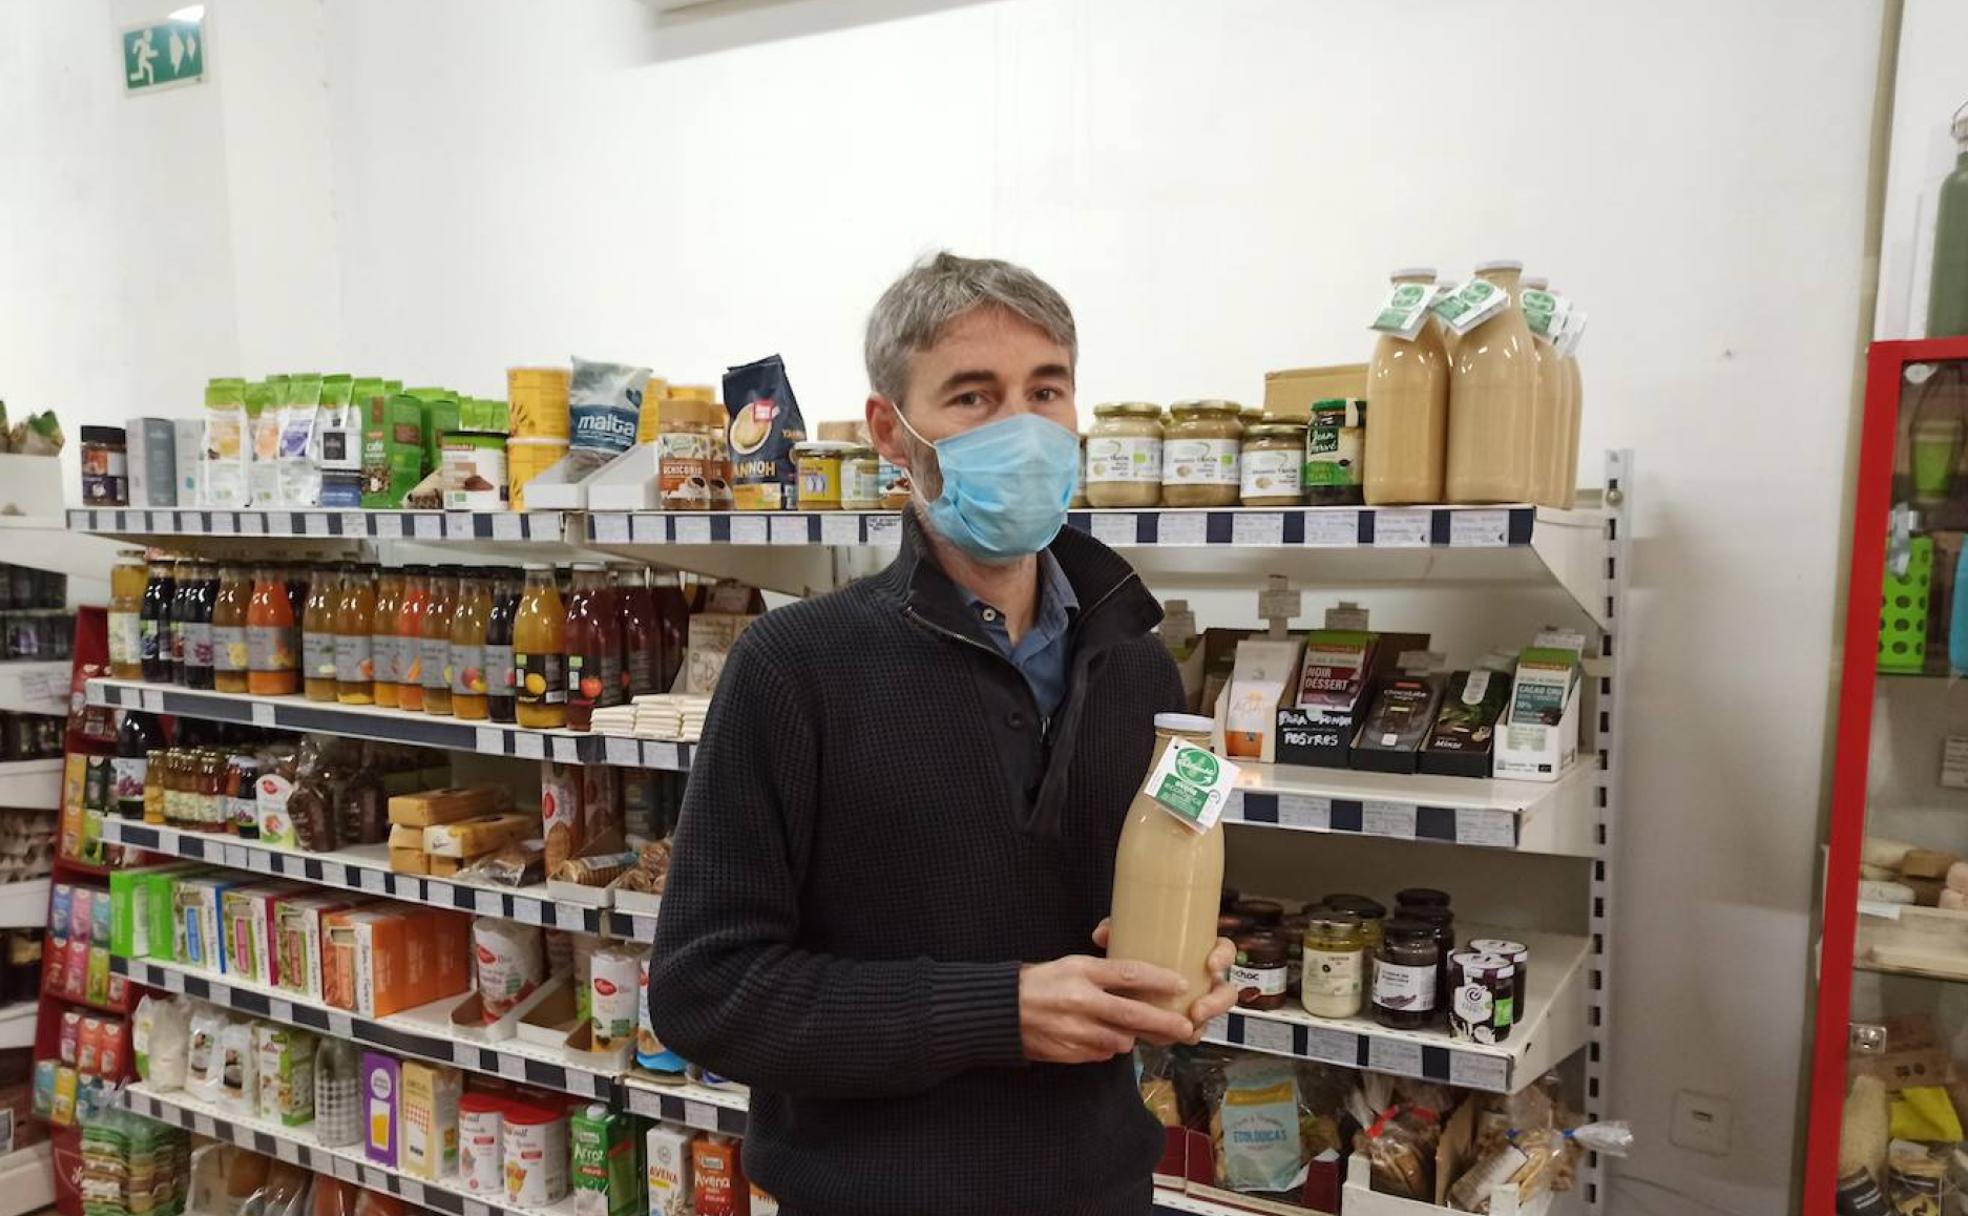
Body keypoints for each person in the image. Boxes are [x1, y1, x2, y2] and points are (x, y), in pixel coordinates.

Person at [648, 252, 1237, 1216]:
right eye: (973, 396)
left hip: (1102, 1190)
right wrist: (997, 1012)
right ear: (892, 431)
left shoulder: (1139, 667)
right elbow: (704, 992)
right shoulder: (793, 668)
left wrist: (1184, 960)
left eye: (1045, 390)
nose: (1023, 428)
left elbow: (1143, 893)